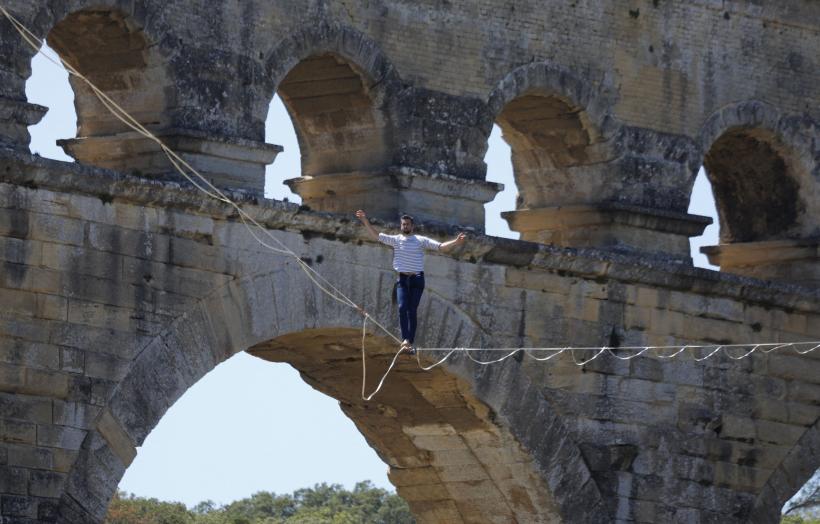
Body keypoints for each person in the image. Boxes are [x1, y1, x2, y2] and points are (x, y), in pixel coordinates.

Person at [356, 210, 466, 354]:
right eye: (403, 224)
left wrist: (456, 242)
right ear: (401, 226)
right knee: (402, 307)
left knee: (412, 310)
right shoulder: (396, 240)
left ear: (412, 226)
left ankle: (410, 341)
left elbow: (440, 247)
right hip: (402, 279)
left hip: (417, 279)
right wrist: (365, 220)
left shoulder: (420, 240)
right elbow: (376, 235)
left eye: (407, 224)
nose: (405, 226)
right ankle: (405, 340)